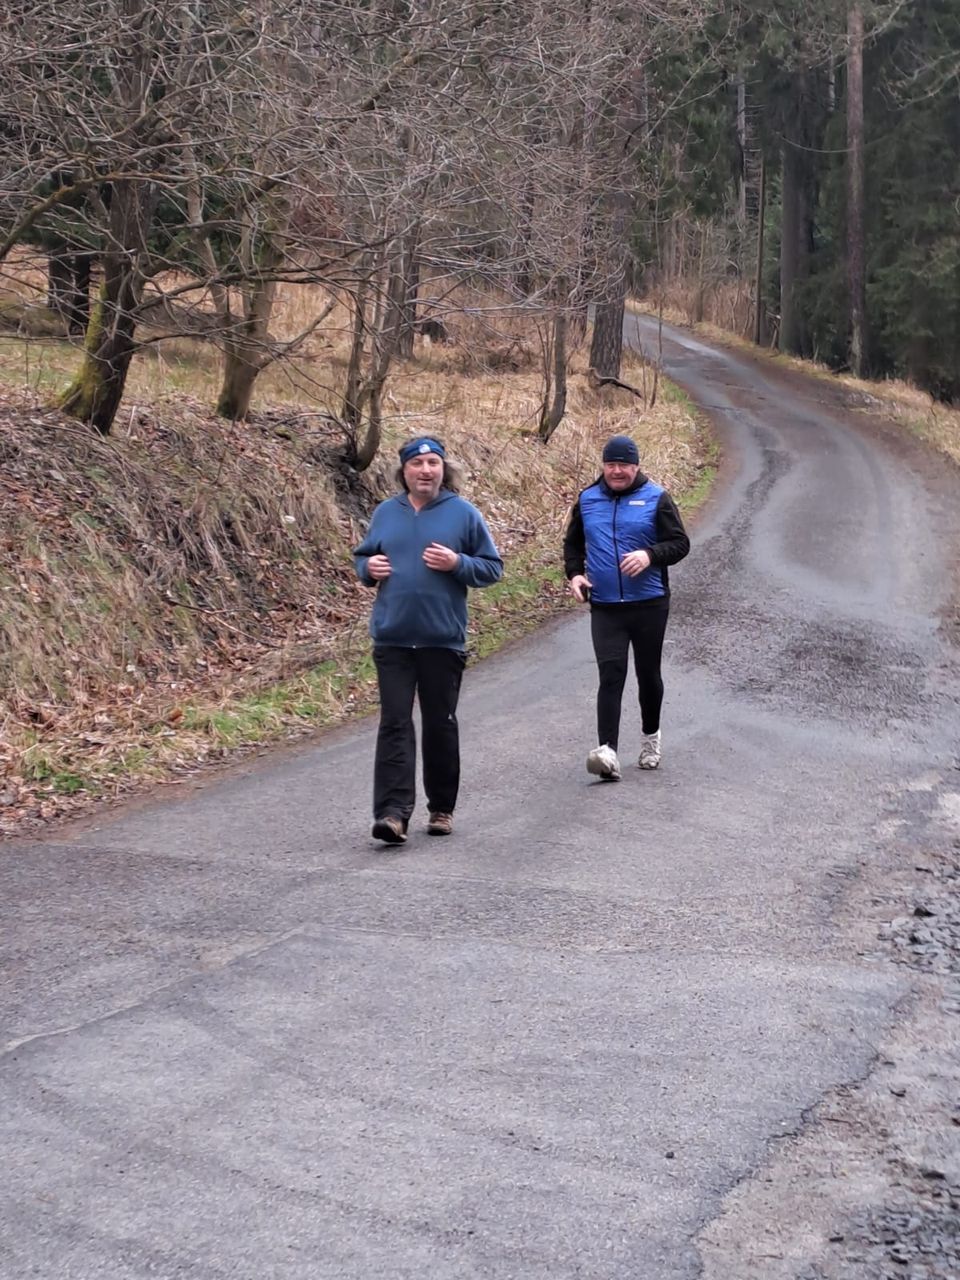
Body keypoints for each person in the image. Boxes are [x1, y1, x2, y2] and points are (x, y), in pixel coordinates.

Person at [354, 436, 503, 844]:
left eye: (433, 463)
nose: (425, 470)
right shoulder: (386, 513)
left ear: (443, 469)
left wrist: (458, 562)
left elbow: (492, 568)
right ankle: (392, 814)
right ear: (403, 472)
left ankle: (441, 808)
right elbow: (363, 557)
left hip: (442, 639)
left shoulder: (463, 514)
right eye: (417, 464)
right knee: (394, 724)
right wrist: (368, 568)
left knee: (440, 723)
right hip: (393, 638)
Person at [563, 434, 689, 779]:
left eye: (623, 465)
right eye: (610, 464)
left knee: (648, 675)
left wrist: (650, 555)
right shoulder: (588, 499)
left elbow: (680, 543)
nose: (616, 471)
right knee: (611, 674)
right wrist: (575, 574)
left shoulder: (657, 498)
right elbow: (573, 544)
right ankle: (608, 752)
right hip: (606, 606)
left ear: (636, 466)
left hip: (649, 604)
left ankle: (650, 741)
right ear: (603, 466)